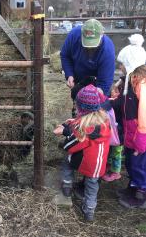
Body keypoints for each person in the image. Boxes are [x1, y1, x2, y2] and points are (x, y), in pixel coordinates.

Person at [54, 84, 111, 221]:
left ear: (81, 108)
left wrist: (65, 131)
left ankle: (67, 186)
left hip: (85, 161)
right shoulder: (104, 120)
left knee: (67, 161)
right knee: (92, 187)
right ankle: (89, 211)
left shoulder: (85, 129)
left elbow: (71, 145)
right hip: (98, 164)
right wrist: (74, 122)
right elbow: (86, 123)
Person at [110, 35, 146, 208]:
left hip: (140, 134)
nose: (120, 67)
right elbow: (122, 102)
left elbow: (144, 113)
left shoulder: (141, 85)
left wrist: (142, 140)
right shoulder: (129, 82)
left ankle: (141, 195)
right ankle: (132, 187)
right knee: (130, 162)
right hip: (131, 130)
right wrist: (109, 101)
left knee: (139, 164)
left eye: (122, 64)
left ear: (131, 65)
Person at [60, 19, 115, 96]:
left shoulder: (107, 50)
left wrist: (97, 97)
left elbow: (105, 81)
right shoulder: (74, 35)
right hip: (78, 77)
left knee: (99, 101)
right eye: (87, 44)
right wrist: (69, 74)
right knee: (77, 95)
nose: (89, 48)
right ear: (82, 35)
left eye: (93, 45)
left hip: (97, 79)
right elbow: (65, 55)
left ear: (101, 36)